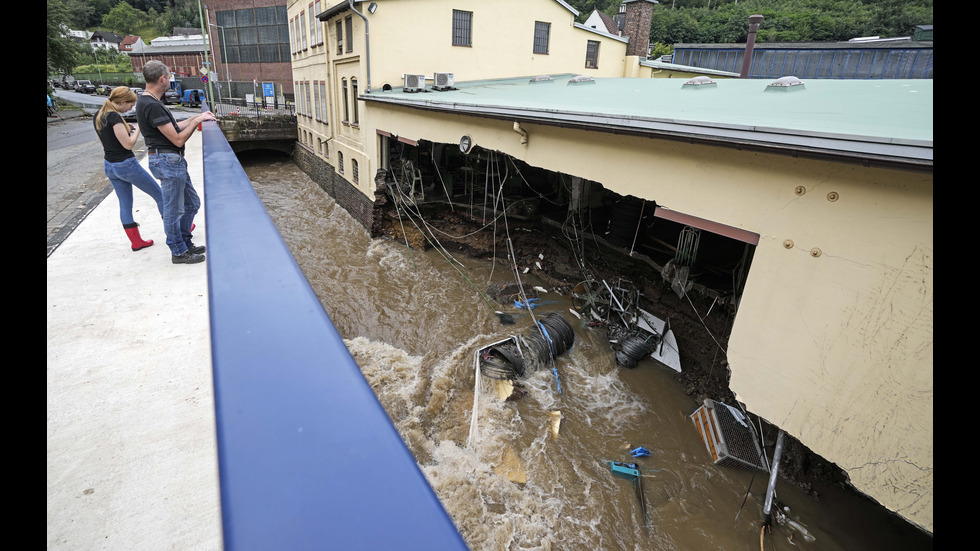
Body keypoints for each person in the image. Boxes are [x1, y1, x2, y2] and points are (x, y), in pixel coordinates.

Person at [136, 60, 215, 264]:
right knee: (174, 209)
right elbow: (178, 138)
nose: (170, 79)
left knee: (191, 203)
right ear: (162, 78)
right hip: (167, 160)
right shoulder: (151, 104)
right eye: (169, 76)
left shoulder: (148, 101)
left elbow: (172, 127)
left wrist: (195, 117)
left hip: (169, 159)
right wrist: (197, 122)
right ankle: (178, 251)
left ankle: (185, 243)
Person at [94, 86, 165, 252]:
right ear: (122, 102)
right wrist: (139, 128)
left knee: (125, 205)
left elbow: (104, 142)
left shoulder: (98, 115)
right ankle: (180, 228)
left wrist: (127, 130)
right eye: (130, 105)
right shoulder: (114, 117)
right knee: (160, 195)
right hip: (126, 164)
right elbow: (128, 144)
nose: (131, 108)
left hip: (110, 166)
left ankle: (136, 242)